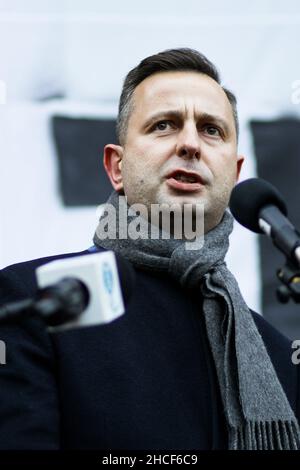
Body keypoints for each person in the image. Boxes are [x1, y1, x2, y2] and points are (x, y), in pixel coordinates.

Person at [0, 48, 299, 451]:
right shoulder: (38, 300)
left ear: (235, 172)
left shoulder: (275, 354)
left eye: (212, 130)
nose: (191, 143)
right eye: (164, 125)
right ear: (116, 167)